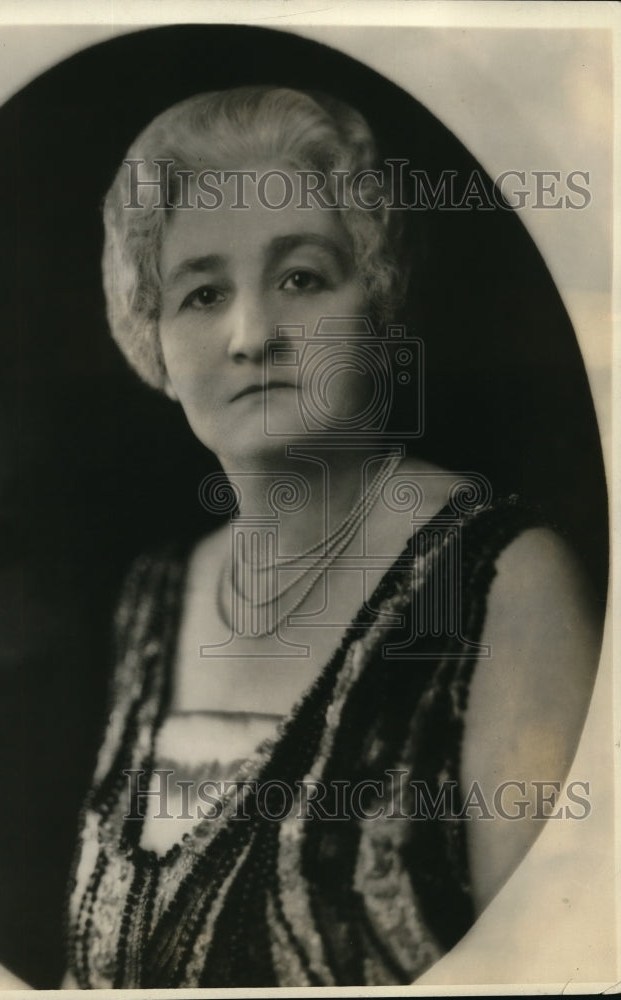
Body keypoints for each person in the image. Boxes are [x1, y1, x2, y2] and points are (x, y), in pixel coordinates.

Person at [62, 87, 600, 988]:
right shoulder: (155, 599)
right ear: (151, 336)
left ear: (378, 296)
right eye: (201, 292)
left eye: (300, 278)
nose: (251, 335)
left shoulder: (506, 585)